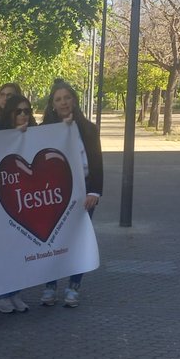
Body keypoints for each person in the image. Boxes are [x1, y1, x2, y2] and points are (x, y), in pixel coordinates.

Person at [40, 79, 103, 308]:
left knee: (78, 239)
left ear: (74, 100)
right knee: (52, 239)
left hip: (85, 190)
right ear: (52, 105)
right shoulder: (44, 130)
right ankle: (50, 286)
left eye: (67, 97)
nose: (64, 102)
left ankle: (74, 286)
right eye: (58, 99)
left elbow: (96, 161)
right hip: (55, 193)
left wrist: (95, 191)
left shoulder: (88, 129)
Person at [0, 94, 36, 314]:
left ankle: (15, 292)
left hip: (26, 200)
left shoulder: (37, 135)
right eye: (19, 111)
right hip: (4, 199)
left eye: (27, 111)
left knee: (21, 248)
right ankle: (1, 294)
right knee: (4, 249)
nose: (23, 115)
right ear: (10, 114)